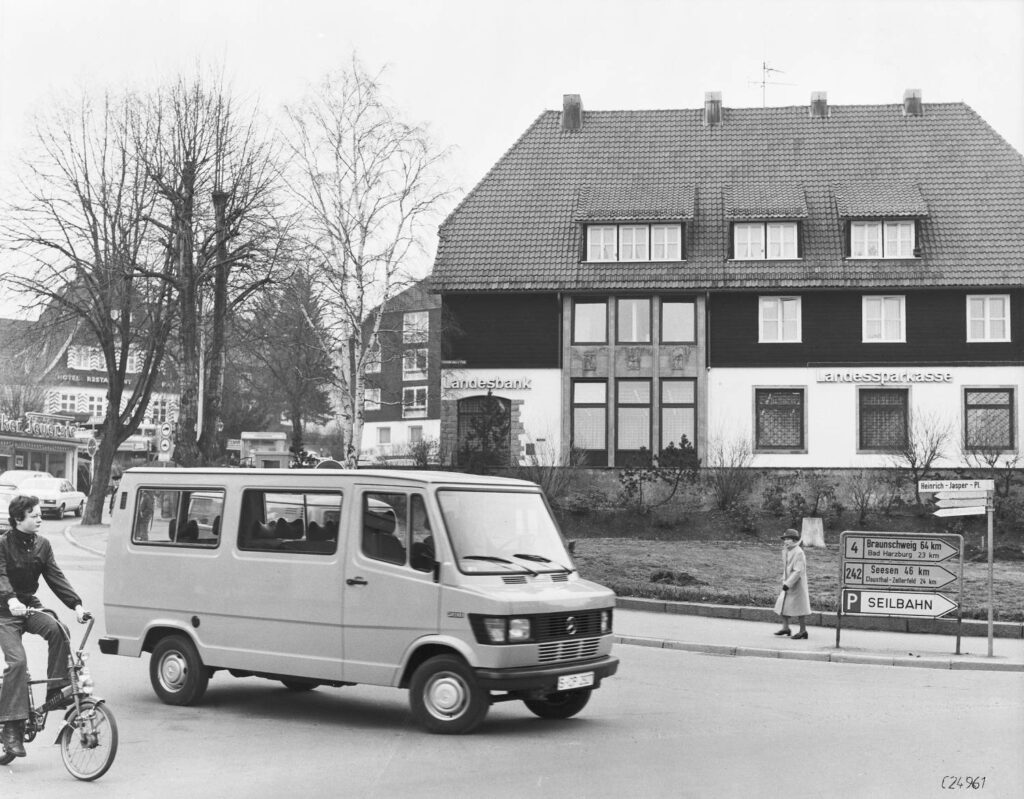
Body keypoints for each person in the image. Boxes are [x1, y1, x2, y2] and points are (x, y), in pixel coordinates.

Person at [0, 495, 88, 759]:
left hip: (28, 606)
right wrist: (10, 598)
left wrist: (77, 605)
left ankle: (55, 692)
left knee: (59, 630)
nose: (39, 518)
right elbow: (0, 575)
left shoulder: (43, 545)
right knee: (17, 663)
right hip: (4, 611)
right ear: (18, 519)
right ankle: (11, 730)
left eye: (40, 514)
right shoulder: (2, 543)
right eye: (34, 515)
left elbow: (54, 575)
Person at [772, 528, 811, 639]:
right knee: (782, 604)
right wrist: (784, 579)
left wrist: (788, 583)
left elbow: (798, 571)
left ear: (794, 540)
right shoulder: (787, 551)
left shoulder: (798, 552)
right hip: (788, 582)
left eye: (788, 539)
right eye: (785, 539)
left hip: (797, 584)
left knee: (800, 608)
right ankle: (786, 628)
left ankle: (803, 631)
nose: (786, 541)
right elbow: (787, 568)